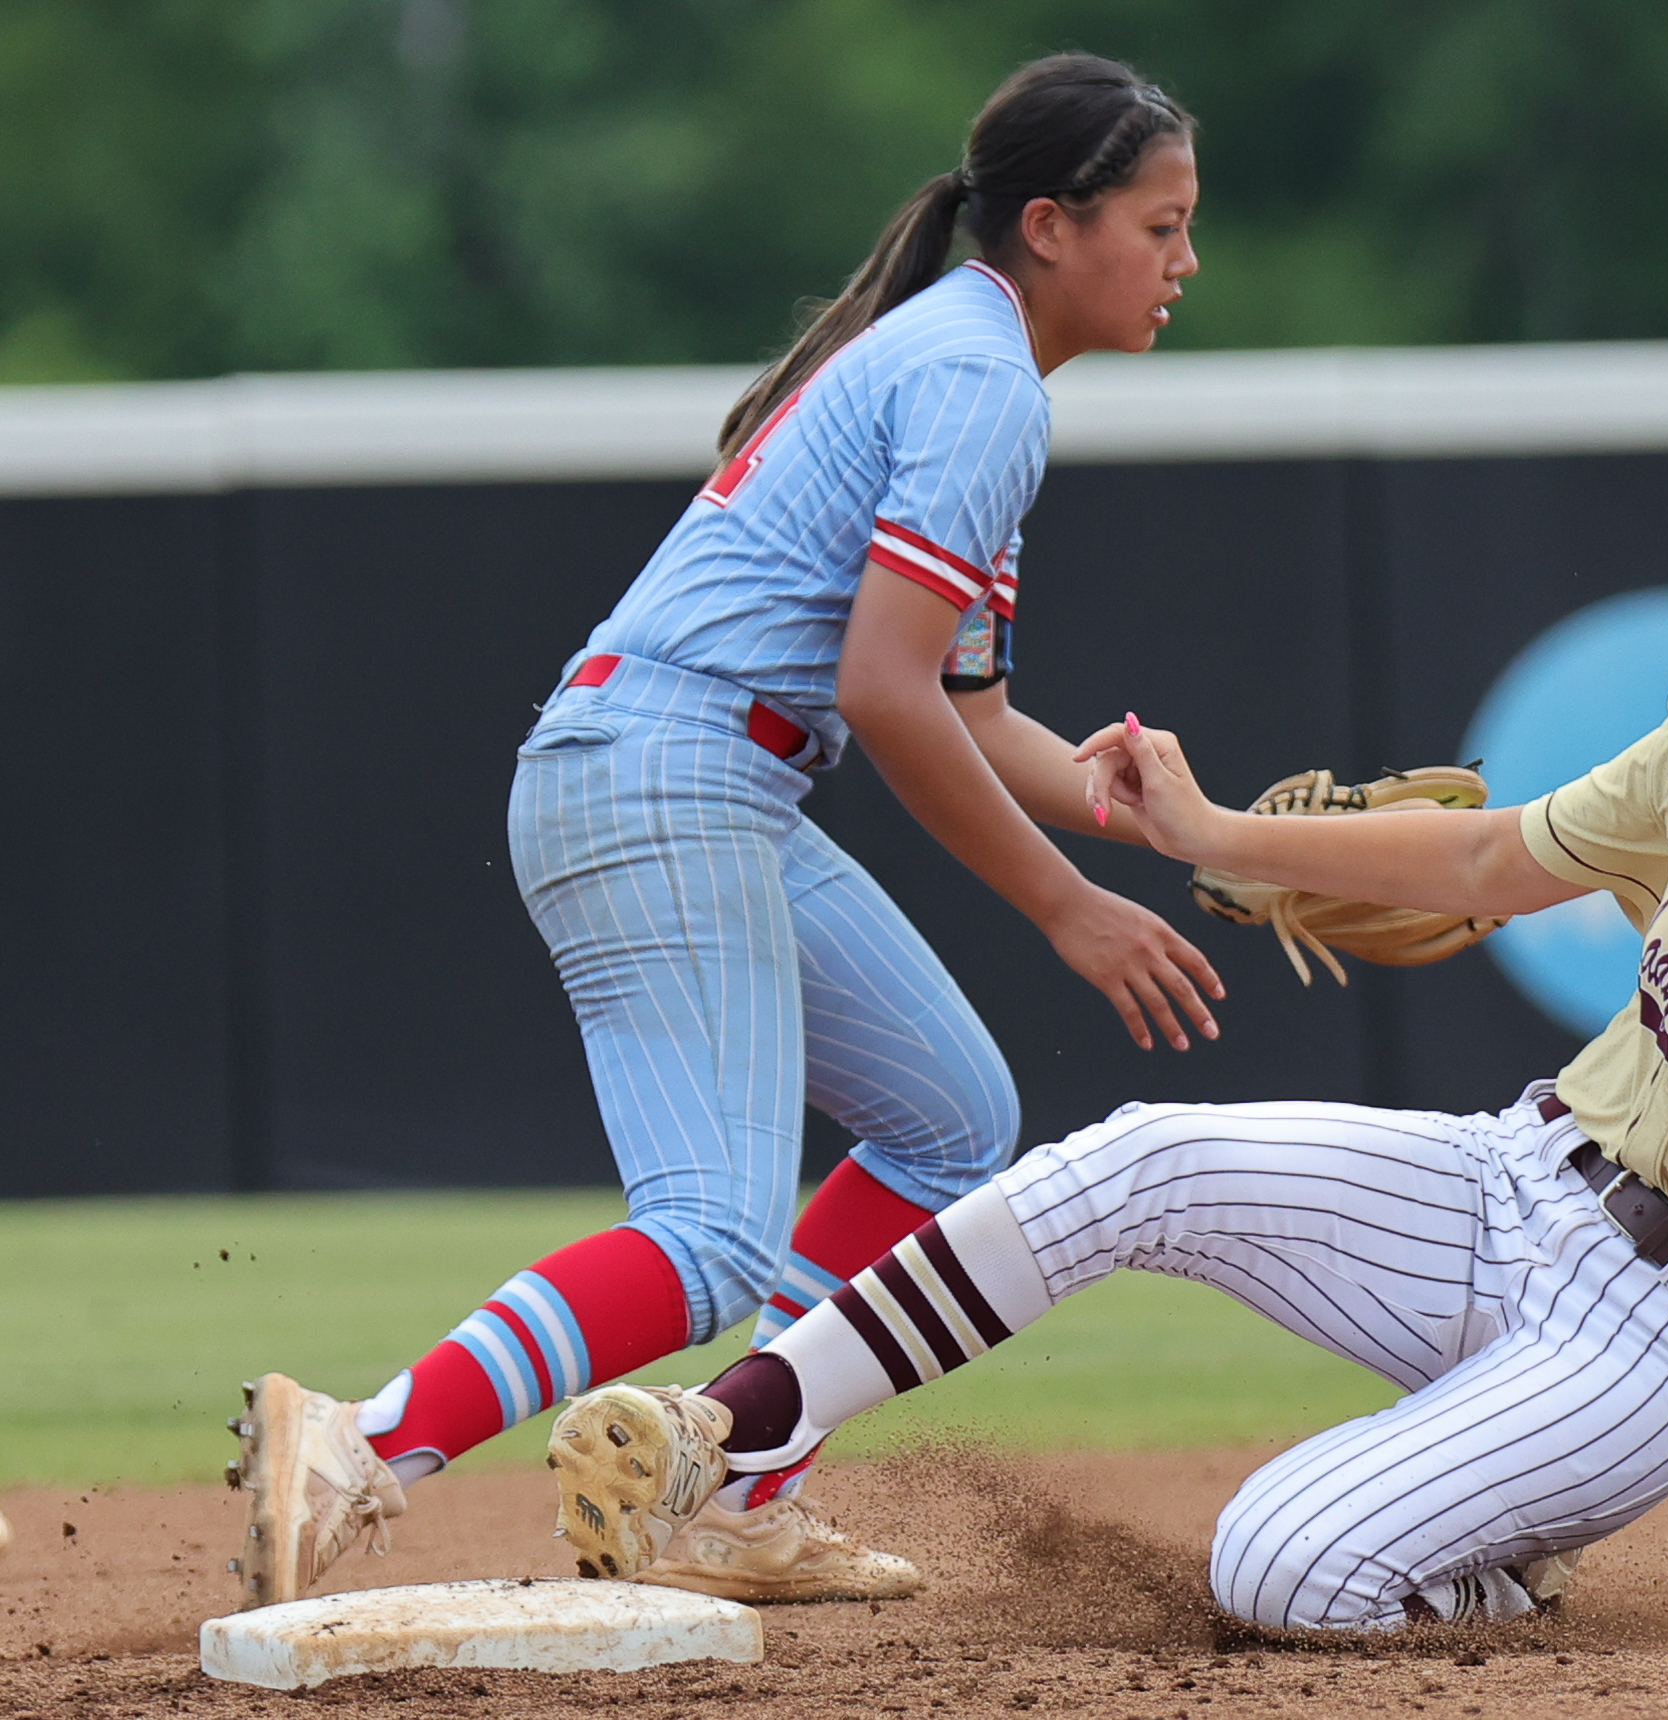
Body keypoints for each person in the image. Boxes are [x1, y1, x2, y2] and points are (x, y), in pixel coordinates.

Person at [544, 516, 1668, 1646]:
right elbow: (1494, 854)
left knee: (1279, 1564)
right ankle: (723, 1433)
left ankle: (1487, 1551)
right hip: (1512, 1178)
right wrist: (1203, 833)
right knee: (1138, 1158)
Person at [228, 53, 1226, 1610]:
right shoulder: (974, 382)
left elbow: (968, 711)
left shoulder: (968, 363)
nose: (1183, 261)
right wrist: (1065, 906)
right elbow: (885, 696)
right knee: (705, 1240)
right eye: (1159, 225)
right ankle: (361, 1442)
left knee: (951, 1119)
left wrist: (1144, 813)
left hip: (703, 769)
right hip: (668, 765)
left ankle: (740, 1488)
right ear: (1049, 224)